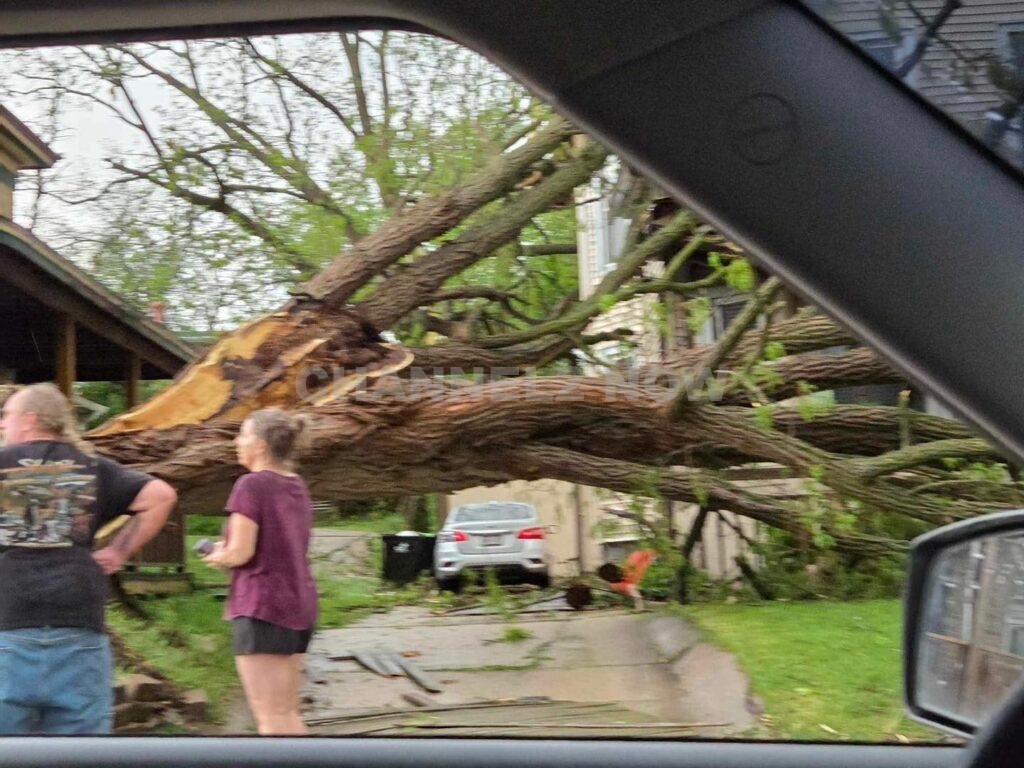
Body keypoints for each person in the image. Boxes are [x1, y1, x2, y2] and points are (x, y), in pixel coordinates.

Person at [0, 383, 176, 734]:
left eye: (6, 416)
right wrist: (117, 552)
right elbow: (161, 495)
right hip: (79, 630)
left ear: (30, 419)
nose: (2, 425)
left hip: (8, 627)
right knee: (81, 753)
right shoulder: (94, 467)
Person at [203, 408, 317, 736]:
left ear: (262, 446)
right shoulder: (296, 484)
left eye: (243, 435)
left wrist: (217, 556)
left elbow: (241, 551)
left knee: (271, 721)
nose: (237, 442)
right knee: (288, 713)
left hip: (262, 607)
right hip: (300, 603)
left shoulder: (250, 485)